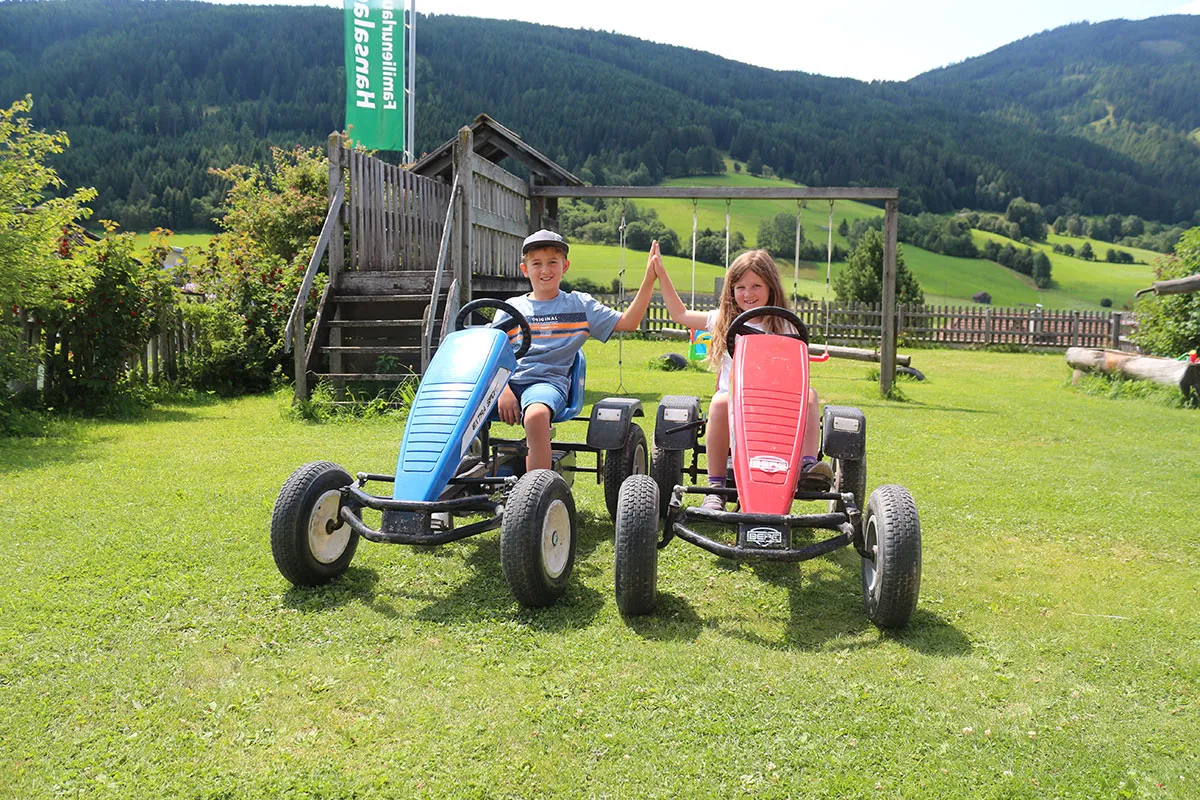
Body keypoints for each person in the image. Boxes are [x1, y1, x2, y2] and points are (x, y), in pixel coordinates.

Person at [649, 241, 832, 509]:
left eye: (756, 286)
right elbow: (679, 314)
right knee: (721, 401)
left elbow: (795, 372)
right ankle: (716, 487)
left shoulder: (785, 325)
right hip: (736, 404)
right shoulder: (722, 319)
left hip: (777, 403)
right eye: (741, 287)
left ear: (771, 287)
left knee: (810, 396)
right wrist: (661, 274)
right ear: (731, 290)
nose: (748, 293)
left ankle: (807, 467)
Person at [496, 229, 658, 472]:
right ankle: (454, 478)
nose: (545, 270)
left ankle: (535, 491)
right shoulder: (510, 307)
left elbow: (628, 322)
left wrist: (648, 280)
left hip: (546, 384)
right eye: (537, 264)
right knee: (456, 407)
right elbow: (492, 353)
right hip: (504, 383)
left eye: (553, 262)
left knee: (535, 415)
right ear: (525, 269)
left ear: (566, 266)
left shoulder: (579, 306)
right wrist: (502, 388)